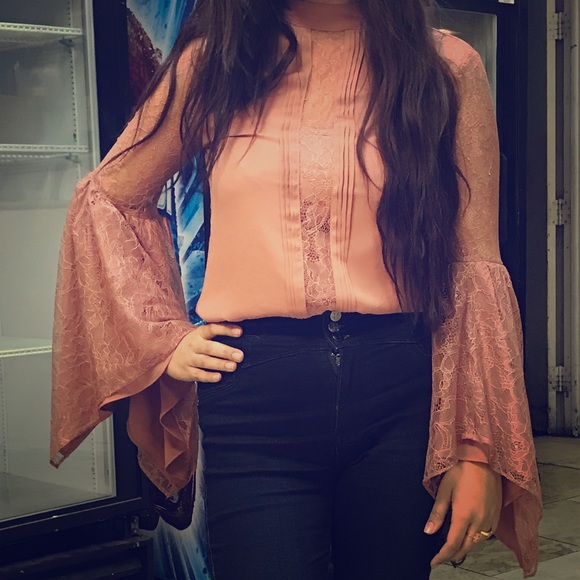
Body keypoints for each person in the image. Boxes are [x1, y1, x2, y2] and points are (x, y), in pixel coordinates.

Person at [50, 0, 542, 578]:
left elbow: (475, 261)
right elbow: (108, 197)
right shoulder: (215, 64)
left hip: (402, 398)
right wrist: (161, 338)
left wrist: (477, 448)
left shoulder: (447, 66)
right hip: (255, 400)